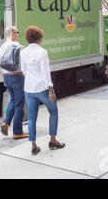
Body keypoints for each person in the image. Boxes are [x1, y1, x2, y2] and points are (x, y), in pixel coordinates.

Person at [21, 26, 65, 155]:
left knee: (32, 118)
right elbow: (46, 73)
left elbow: (23, 70)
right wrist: (51, 89)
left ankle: (34, 146)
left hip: (28, 88)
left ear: (28, 38)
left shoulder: (23, 52)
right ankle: (53, 140)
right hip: (42, 88)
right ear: (39, 38)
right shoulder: (42, 52)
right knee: (53, 112)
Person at [0, 26, 28, 139]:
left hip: (6, 77)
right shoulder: (15, 44)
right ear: (12, 34)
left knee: (13, 100)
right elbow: (25, 52)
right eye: (17, 32)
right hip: (17, 77)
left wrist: (4, 81)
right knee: (20, 103)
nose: (18, 34)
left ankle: (6, 122)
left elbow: (1, 66)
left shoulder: (1, 47)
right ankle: (18, 132)